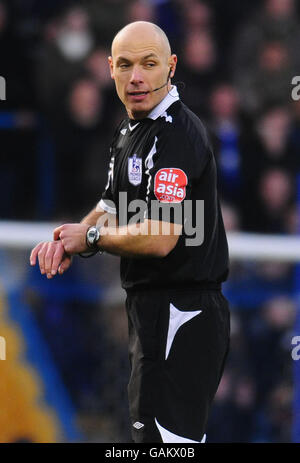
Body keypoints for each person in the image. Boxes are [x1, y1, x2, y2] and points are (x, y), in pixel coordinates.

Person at [30, 21, 230, 443]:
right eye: (124, 65)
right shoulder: (130, 129)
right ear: (110, 69)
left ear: (171, 67)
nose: (136, 76)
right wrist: (70, 238)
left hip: (182, 311)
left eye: (148, 64)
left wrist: (91, 240)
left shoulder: (176, 133)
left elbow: (161, 236)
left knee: (167, 446)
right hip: (153, 311)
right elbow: (111, 204)